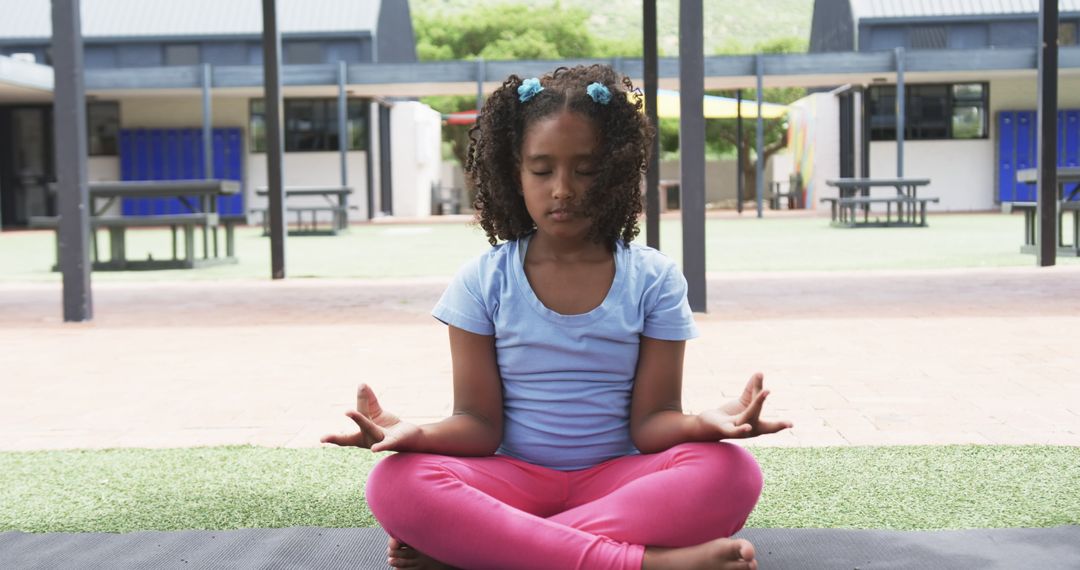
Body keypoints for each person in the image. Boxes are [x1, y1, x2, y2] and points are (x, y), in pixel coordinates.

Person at [322, 64, 792, 570]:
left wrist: (704, 423)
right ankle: (648, 563)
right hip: (512, 481)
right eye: (542, 171)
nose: (563, 189)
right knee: (396, 482)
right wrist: (416, 434)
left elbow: (652, 424)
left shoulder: (653, 278)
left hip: (621, 483)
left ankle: (483, 551)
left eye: (585, 170)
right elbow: (478, 425)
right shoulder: (484, 280)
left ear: (613, 173)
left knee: (732, 472)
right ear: (514, 174)